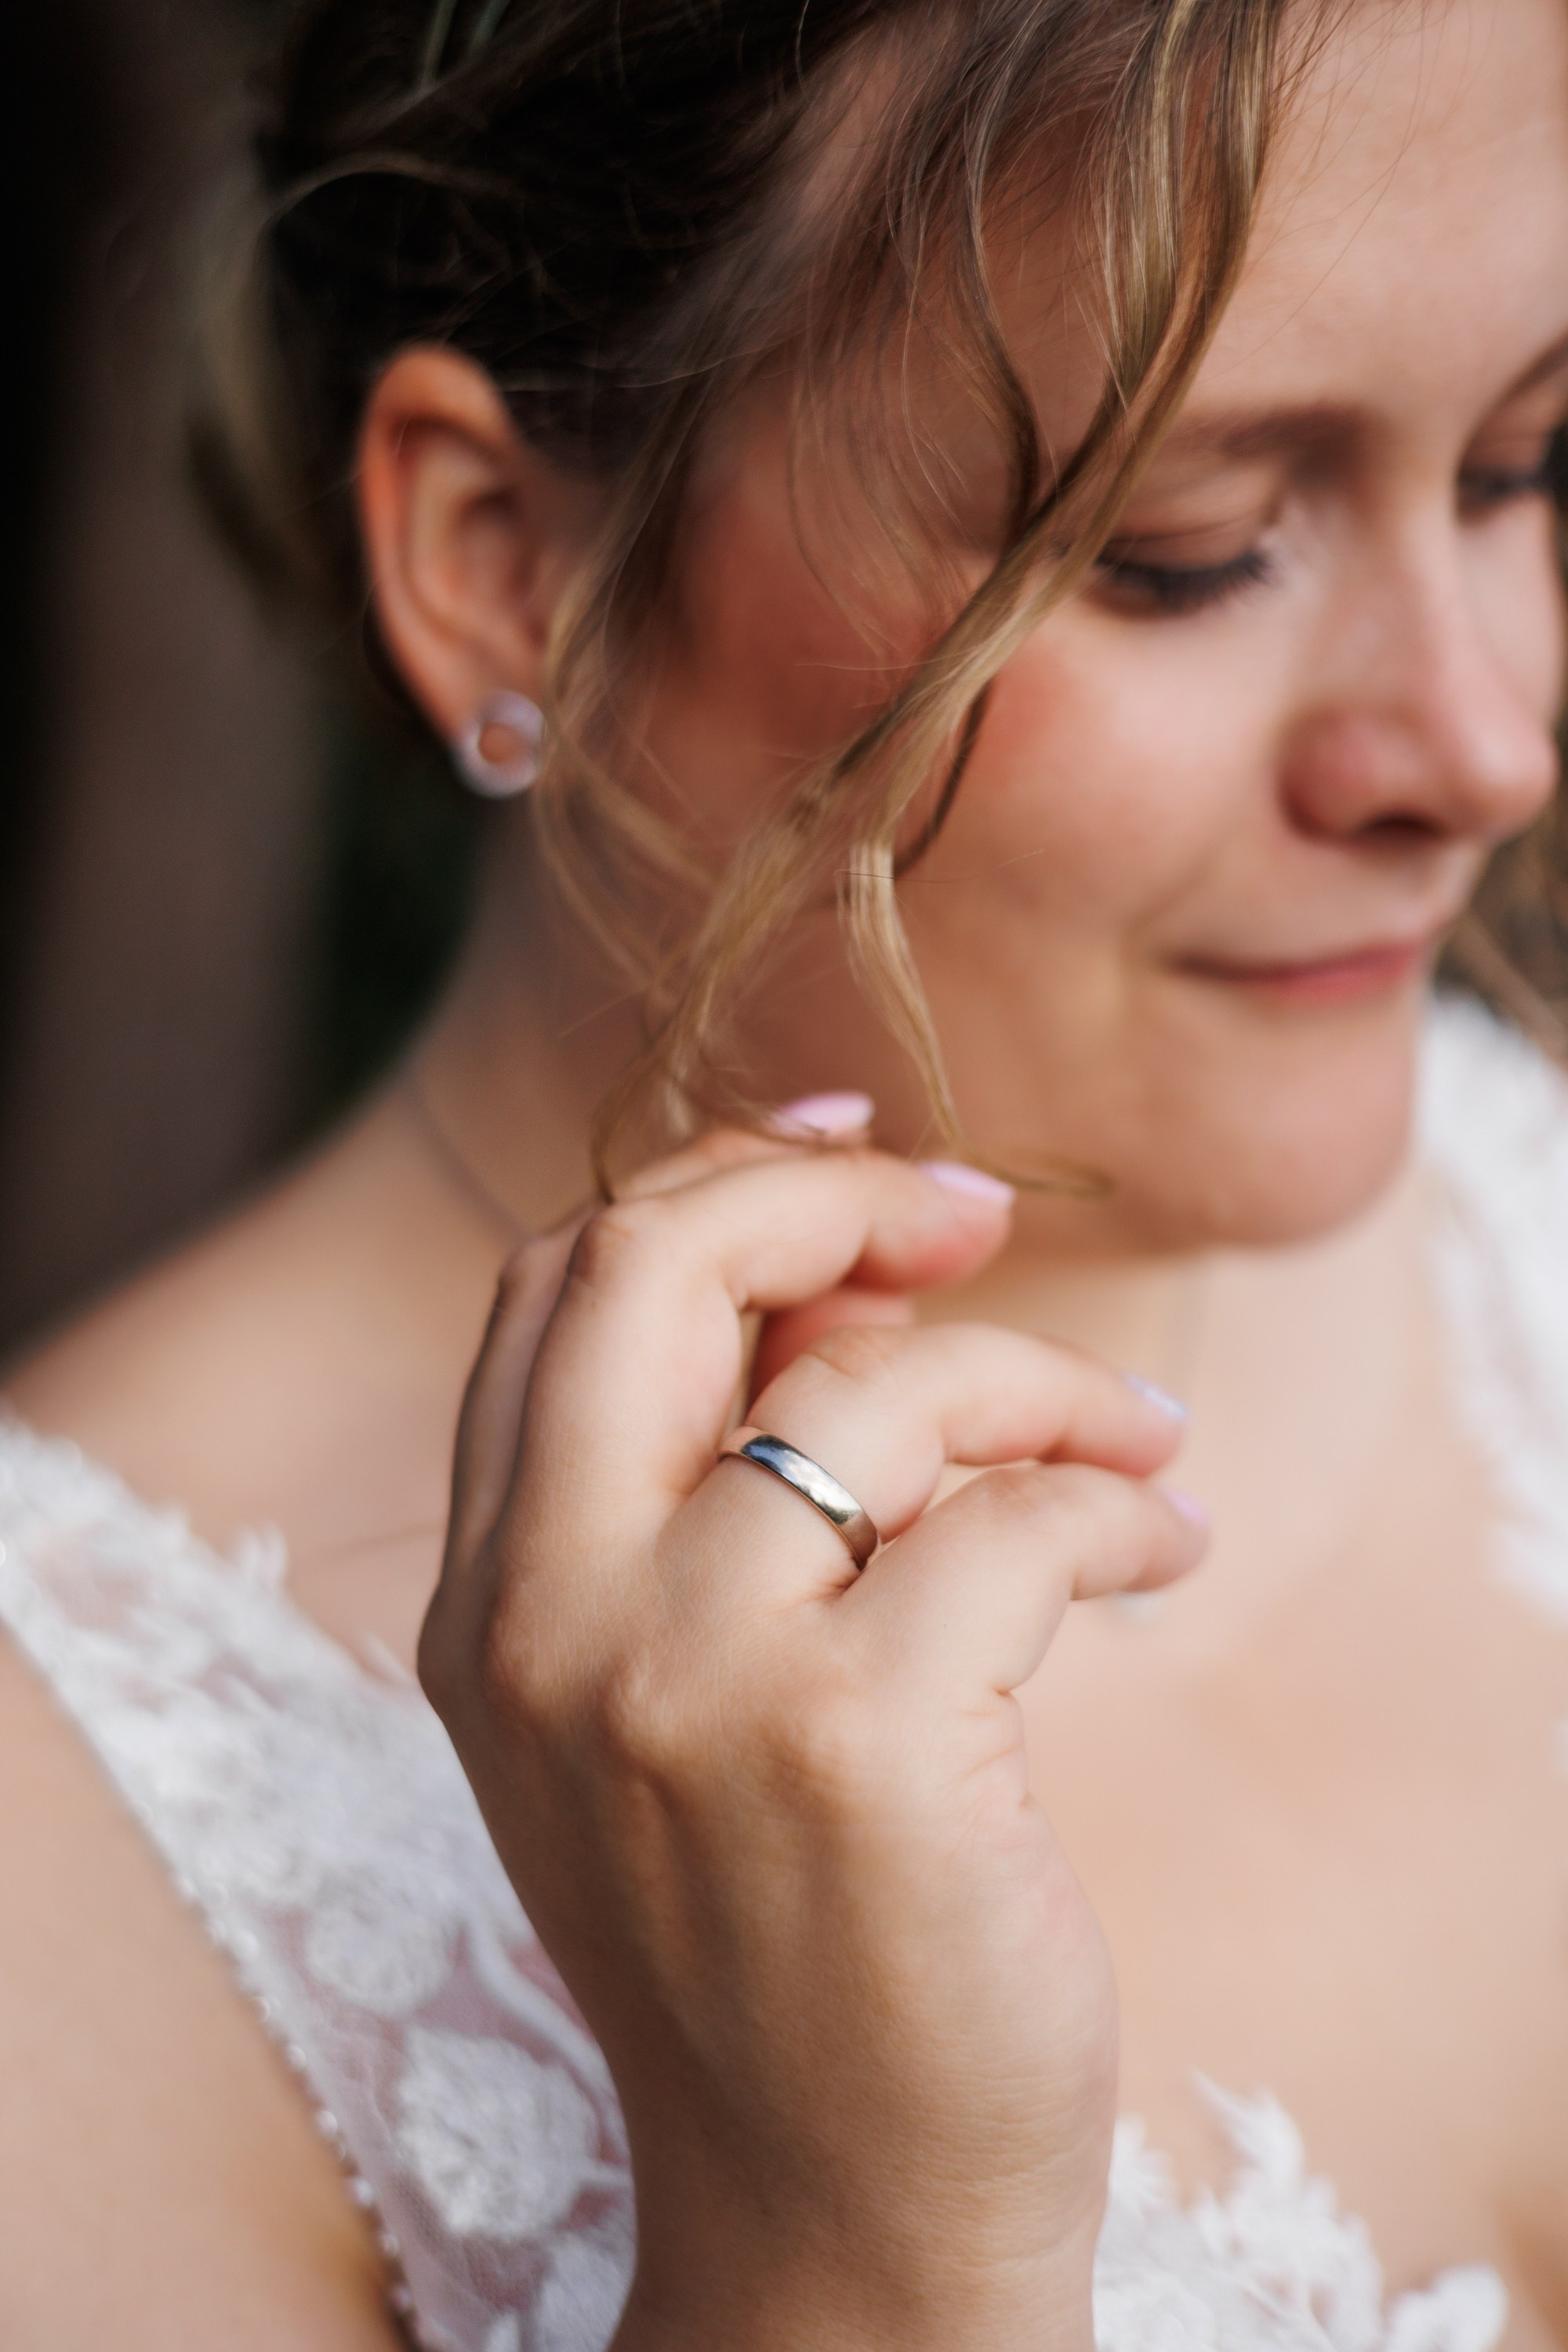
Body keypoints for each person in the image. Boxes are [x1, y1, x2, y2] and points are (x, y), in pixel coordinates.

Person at [2, 0, 1567, 2342]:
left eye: (1521, 466)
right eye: (1186, 549)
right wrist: (841, 2256)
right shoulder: (59, 1878)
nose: (1483, 743)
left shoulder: (1531, 1206)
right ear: (508, 567)